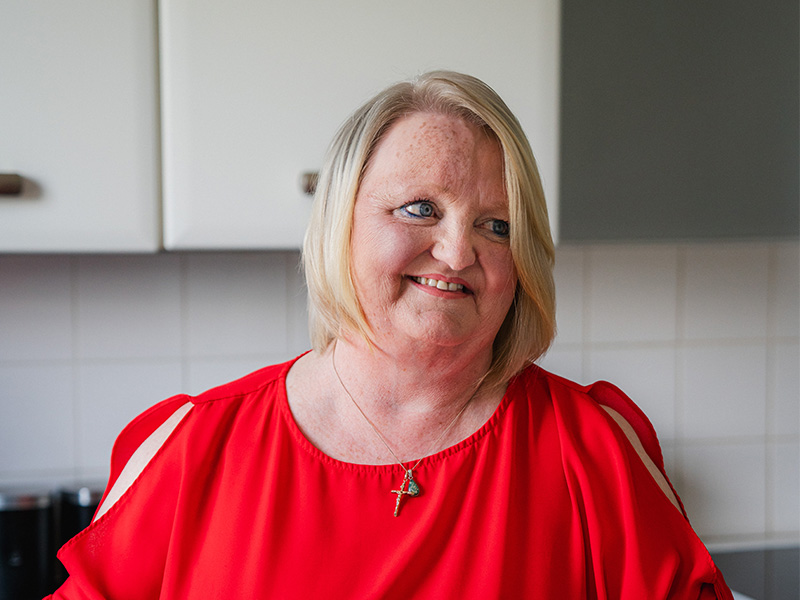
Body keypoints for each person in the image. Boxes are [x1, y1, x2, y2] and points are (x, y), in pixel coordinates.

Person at [48, 71, 733, 599]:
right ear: (339, 224)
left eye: (497, 225)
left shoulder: (594, 452)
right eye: (419, 209)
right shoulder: (191, 451)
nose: (459, 252)